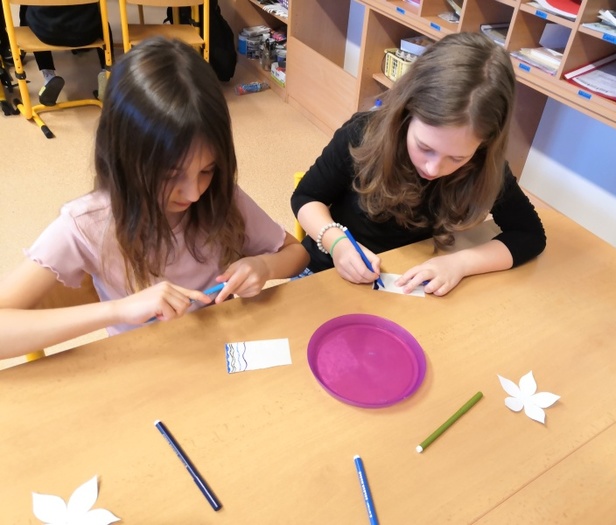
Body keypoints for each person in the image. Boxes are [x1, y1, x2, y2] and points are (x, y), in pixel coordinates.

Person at [0, 36, 309, 359]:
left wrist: (264, 266)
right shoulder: (87, 224)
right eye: (171, 176)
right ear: (123, 158)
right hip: (144, 364)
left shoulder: (219, 196)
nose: (194, 193)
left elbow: (296, 253)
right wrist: (119, 310)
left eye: (207, 170)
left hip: (220, 354)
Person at [291, 32, 546, 297]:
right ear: (406, 113)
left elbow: (529, 234)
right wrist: (337, 244)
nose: (433, 169)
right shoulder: (362, 135)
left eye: (457, 158)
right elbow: (306, 197)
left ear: (484, 144)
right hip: (325, 270)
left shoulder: (484, 164)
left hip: (404, 286)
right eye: (424, 147)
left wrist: (459, 263)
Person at [20, 3, 110, 104]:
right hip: (86, 33)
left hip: (47, 34)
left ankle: (48, 75)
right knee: (102, 19)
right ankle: (107, 72)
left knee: (26, 7)